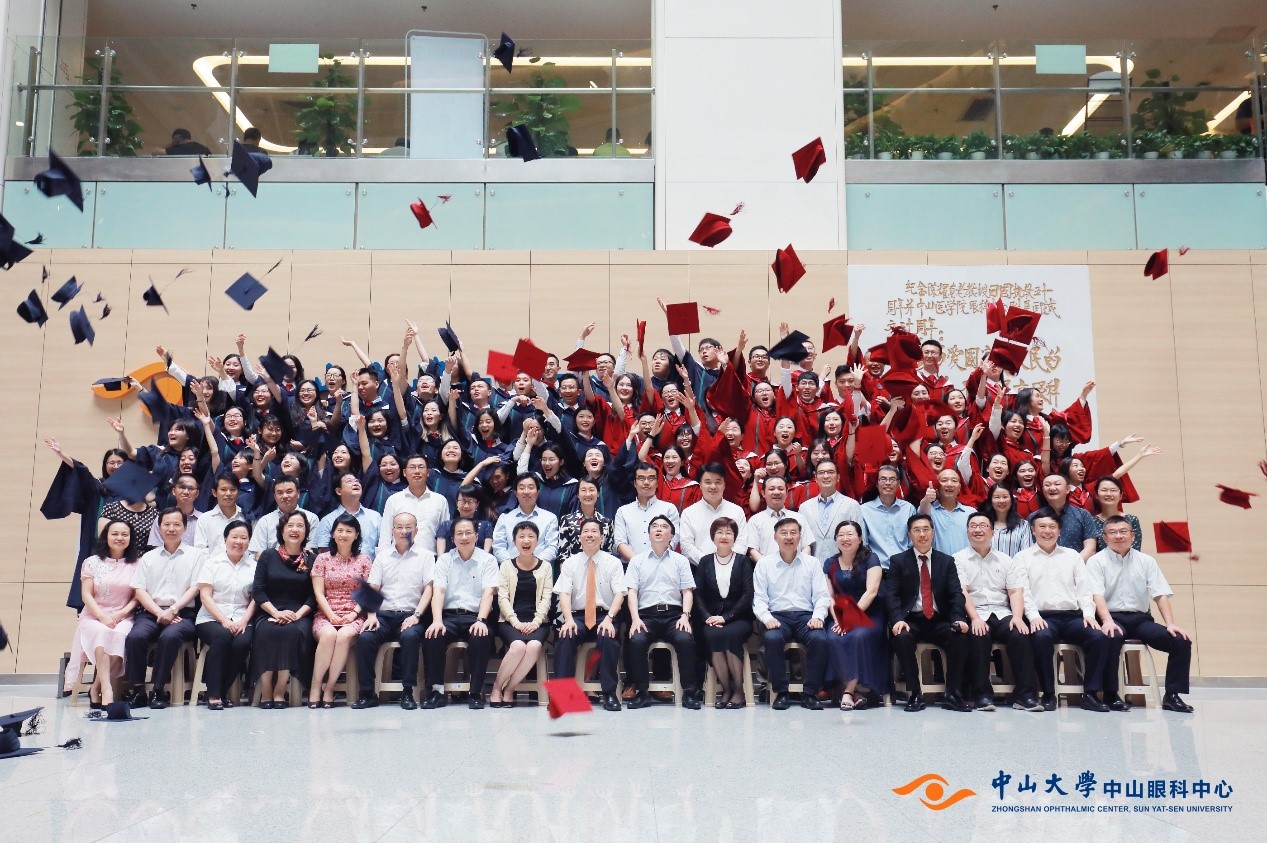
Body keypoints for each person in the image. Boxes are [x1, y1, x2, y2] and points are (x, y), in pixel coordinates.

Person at [1088, 515, 1195, 713]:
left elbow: (1160, 594)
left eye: (1123, 532)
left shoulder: (1146, 561)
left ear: (1133, 535)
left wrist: (1170, 624)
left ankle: (1172, 695)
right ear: (1104, 537)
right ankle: (1110, 694)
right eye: (1112, 532)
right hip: (1112, 617)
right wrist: (1107, 621)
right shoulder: (1096, 562)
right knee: (1111, 636)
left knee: (1180, 641)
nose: (1118, 536)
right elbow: (1096, 595)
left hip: (1140, 620)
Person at [1015, 509, 1113, 712]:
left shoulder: (1072, 556)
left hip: (1072, 617)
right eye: (1042, 527)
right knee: (1041, 638)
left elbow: (1084, 589)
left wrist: (1089, 614)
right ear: (1033, 530)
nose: (1047, 531)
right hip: (1043, 616)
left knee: (1098, 637)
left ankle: (1091, 694)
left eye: (1052, 527)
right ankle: (1048, 693)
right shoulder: (1022, 557)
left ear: (1059, 531)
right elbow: (1023, 592)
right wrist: (1033, 617)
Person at [954, 513, 1043, 712]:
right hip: (975, 612)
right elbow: (962, 592)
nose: (978, 530)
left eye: (983, 526)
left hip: (1002, 612)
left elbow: (1015, 591)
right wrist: (975, 618)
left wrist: (1018, 617)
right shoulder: (958, 559)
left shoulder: (1005, 560)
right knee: (979, 635)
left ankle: (1025, 696)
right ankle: (982, 695)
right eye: (973, 526)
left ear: (992, 532)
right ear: (967, 531)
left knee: (1020, 634)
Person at [885, 513, 972, 713]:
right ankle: (915, 693)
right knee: (901, 637)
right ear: (909, 534)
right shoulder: (898, 561)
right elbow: (891, 595)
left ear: (933, 532)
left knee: (960, 637)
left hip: (940, 619)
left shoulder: (946, 561)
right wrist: (897, 619)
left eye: (926, 529)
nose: (922, 534)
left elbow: (956, 594)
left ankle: (952, 694)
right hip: (911, 619)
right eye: (917, 530)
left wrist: (959, 618)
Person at [352, 512, 435, 710]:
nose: (404, 531)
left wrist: (416, 616)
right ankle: (367, 693)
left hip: (411, 615)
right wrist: (371, 615)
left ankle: (407, 692)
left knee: (410, 637)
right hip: (384, 615)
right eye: (399, 527)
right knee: (365, 638)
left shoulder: (426, 557)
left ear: (416, 530)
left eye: (408, 527)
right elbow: (373, 587)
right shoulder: (382, 557)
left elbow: (429, 589)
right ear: (392, 530)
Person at [124, 508, 203, 709]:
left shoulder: (196, 555)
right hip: (152, 612)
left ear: (185, 528)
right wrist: (160, 612)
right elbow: (139, 589)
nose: (171, 529)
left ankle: (158, 690)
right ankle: (138, 690)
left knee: (170, 636)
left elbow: (195, 588)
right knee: (135, 637)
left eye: (176, 524)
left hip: (183, 613)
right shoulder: (148, 557)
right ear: (159, 528)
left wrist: (173, 609)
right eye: (166, 524)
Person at [421, 517, 500, 709]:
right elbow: (439, 591)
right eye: (459, 534)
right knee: (433, 635)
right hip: (449, 616)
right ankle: (437, 692)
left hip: (475, 616)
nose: (464, 537)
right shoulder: (444, 560)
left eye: (468, 533)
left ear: (476, 536)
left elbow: (488, 593)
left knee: (481, 636)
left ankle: (475, 693)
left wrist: (481, 620)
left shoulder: (488, 560)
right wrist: (437, 620)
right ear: (453, 538)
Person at [624, 515, 701, 710]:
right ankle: (642, 693)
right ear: (649, 534)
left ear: (672, 535)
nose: (658, 529)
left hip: (674, 616)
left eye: (664, 526)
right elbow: (632, 592)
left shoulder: (681, 561)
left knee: (685, 639)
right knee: (636, 640)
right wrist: (635, 619)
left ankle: (689, 693)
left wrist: (685, 616)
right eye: (654, 526)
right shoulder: (637, 561)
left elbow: (687, 591)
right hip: (646, 616)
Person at [752, 517, 830, 710]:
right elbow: (759, 599)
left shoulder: (812, 563)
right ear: (775, 537)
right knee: (772, 638)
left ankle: (810, 693)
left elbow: (822, 596)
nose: (789, 537)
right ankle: (781, 692)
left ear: (800, 537)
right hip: (777, 616)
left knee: (820, 639)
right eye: (784, 533)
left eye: (793, 533)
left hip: (806, 616)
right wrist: (767, 618)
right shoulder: (764, 564)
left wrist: (818, 616)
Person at [554, 518, 627, 712]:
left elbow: (620, 593)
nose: (590, 535)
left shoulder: (613, 562)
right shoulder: (570, 563)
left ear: (602, 537)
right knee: (566, 635)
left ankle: (609, 693)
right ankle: (563, 696)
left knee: (608, 637)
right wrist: (568, 620)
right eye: (586, 531)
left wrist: (610, 619)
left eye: (594, 531)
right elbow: (564, 594)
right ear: (579, 537)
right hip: (578, 616)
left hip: (605, 615)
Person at [65, 520, 140, 708]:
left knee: (120, 635)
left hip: (123, 616)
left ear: (130, 539)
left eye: (124, 534)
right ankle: (107, 689)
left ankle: (96, 687)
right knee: (101, 633)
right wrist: (102, 616)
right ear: (106, 537)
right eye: (114, 534)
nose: (119, 538)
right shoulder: (92, 562)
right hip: (94, 615)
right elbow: (86, 594)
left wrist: (121, 613)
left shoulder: (137, 564)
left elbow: (137, 597)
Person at [251, 511, 318, 709]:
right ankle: (266, 689)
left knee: (290, 632)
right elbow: (258, 591)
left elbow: (314, 595)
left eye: (300, 526)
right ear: (282, 530)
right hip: (269, 610)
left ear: (306, 532)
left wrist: (296, 615)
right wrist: (275, 613)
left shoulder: (312, 559)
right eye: (290, 525)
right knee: (265, 631)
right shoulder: (268, 556)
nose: (295, 530)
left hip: (300, 613)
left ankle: (280, 690)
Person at [309, 514, 373, 708]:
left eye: (349, 531)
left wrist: (353, 613)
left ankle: (329, 688)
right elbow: (319, 592)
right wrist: (331, 615)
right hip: (326, 613)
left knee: (344, 636)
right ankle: (315, 686)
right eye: (340, 530)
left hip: (355, 614)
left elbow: (367, 593)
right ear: (333, 534)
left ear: (356, 535)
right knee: (329, 635)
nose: (344, 534)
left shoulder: (364, 560)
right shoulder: (322, 559)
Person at [823, 521, 888, 710]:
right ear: (836, 540)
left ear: (860, 538)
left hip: (869, 613)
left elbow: (872, 591)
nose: (845, 538)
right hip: (839, 614)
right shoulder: (829, 563)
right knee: (833, 638)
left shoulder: (871, 559)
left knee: (858, 637)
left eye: (850, 534)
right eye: (841, 535)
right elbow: (829, 597)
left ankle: (848, 692)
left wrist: (850, 619)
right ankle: (854, 692)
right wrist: (839, 619)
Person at [693, 517, 754, 709]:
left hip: (739, 617)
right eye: (719, 532)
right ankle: (726, 689)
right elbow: (698, 594)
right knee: (712, 634)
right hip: (712, 617)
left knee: (730, 635)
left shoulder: (744, 561)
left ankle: (739, 691)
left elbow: (748, 594)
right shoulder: (705, 562)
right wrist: (707, 617)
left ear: (735, 537)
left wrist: (726, 617)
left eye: (729, 533)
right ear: (713, 537)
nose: (724, 536)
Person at [490, 522, 553, 707]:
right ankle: (496, 687)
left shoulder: (546, 567)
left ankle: (509, 689)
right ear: (514, 541)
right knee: (518, 646)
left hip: (538, 622)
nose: (526, 540)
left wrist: (536, 622)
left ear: (537, 541)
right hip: (509, 621)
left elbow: (546, 598)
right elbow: (502, 598)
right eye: (522, 537)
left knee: (534, 646)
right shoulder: (506, 566)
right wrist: (515, 622)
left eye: (531, 536)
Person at [196, 521, 257, 710]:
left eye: (244, 538)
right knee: (222, 636)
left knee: (243, 642)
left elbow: (256, 598)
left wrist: (244, 621)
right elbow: (205, 596)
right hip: (210, 618)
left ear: (249, 541)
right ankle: (214, 694)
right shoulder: (212, 563)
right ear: (225, 539)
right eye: (234, 537)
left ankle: (222, 691)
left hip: (242, 617)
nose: (239, 541)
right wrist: (223, 620)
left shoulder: (254, 566)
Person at [378, 454, 449, 557]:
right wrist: (383, 560)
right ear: (404, 472)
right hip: (398, 559)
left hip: (430, 560)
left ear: (428, 472)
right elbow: (385, 535)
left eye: (421, 467)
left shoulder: (440, 501)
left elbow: (444, 536)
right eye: (412, 467)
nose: (416, 471)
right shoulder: (393, 500)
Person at [679, 463, 748, 565]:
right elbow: (686, 546)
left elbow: (741, 543)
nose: (713, 486)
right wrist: (709, 564)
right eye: (708, 482)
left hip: (732, 568)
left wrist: (728, 562)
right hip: (700, 568)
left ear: (724, 485)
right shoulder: (689, 513)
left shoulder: (737, 511)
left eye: (718, 482)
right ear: (700, 485)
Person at [797, 461, 862, 562]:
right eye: (821, 472)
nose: (826, 476)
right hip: (812, 567)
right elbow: (800, 541)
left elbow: (860, 541)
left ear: (838, 477)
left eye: (830, 472)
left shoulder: (852, 505)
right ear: (816, 478)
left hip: (843, 567)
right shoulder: (804, 508)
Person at [614, 463, 680, 561]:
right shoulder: (623, 511)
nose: (646, 482)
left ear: (657, 483)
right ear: (635, 483)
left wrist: (657, 560)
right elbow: (619, 542)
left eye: (651, 478)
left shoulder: (669, 509)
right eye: (641, 478)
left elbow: (674, 538)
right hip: (630, 566)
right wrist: (638, 563)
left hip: (663, 564)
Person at [491, 474, 560, 565]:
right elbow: (498, 547)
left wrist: (535, 565)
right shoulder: (505, 518)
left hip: (540, 569)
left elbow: (552, 547)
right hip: (511, 569)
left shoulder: (550, 518)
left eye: (531, 488)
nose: (526, 492)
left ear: (538, 492)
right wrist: (512, 565)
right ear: (515, 493)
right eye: (522, 488)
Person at [858, 464, 916, 568]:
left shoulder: (908, 509)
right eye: (883, 479)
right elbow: (864, 545)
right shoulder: (864, 510)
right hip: (878, 570)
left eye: (892, 479)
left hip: (904, 569)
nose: (888, 483)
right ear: (877, 483)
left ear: (898, 483)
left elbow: (913, 543)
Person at [1030, 474, 1097, 559]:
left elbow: (1090, 548)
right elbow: (1029, 547)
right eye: (1047, 485)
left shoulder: (1083, 514)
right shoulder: (1034, 517)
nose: (1052, 488)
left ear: (1068, 489)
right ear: (1043, 490)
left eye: (1057, 484)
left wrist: (1073, 565)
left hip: (1076, 565)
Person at [745, 476, 812, 562]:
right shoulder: (755, 520)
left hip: (797, 568)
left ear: (787, 493)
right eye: (771, 489)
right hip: (766, 569)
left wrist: (800, 565)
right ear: (763, 493)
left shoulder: (799, 518)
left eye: (781, 489)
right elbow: (752, 550)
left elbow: (806, 546)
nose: (776, 492)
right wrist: (767, 567)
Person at [248, 477, 319, 556]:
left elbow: (310, 551)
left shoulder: (311, 518)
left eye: (289, 492)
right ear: (275, 497)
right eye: (280, 493)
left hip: (302, 562)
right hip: (271, 563)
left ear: (298, 494)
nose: (285, 496)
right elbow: (257, 553)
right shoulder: (265, 521)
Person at [314, 472, 383, 552]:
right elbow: (323, 551)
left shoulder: (375, 516)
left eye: (357, 481)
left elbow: (383, 547)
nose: (355, 483)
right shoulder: (327, 520)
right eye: (349, 481)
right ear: (339, 491)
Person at [918, 468, 974, 557]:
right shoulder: (929, 510)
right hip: (938, 564)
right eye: (944, 480)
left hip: (965, 563)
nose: (949, 484)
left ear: (959, 488)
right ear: (937, 487)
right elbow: (922, 514)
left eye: (954, 481)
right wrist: (926, 499)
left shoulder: (970, 513)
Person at [194, 474, 247, 555]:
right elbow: (200, 551)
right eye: (223, 489)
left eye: (233, 490)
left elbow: (251, 550)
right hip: (212, 563)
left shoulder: (246, 517)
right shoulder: (204, 519)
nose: (228, 493)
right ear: (214, 492)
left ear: (238, 492)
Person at [146, 473, 200, 547]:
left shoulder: (204, 519)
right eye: (182, 487)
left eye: (191, 488)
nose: (186, 492)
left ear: (197, 493)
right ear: (174, 491)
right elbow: (156, 548)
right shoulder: (162, 518)